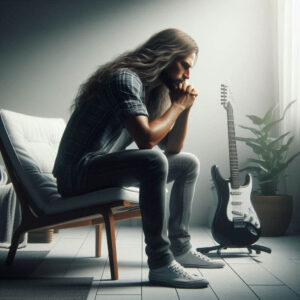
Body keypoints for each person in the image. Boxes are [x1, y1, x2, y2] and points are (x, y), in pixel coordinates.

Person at [53, 28, 224, 289]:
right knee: (152, 160)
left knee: (188, 163)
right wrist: (177, 106)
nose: (188, 75)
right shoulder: (124, 80)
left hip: (98, 168)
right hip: (76, 174)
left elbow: (173, 147)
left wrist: (184, 107)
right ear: (165, 56)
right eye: (184, 65)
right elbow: (147, 140)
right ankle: (161, 262)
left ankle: (181, 247)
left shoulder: (150, 91)